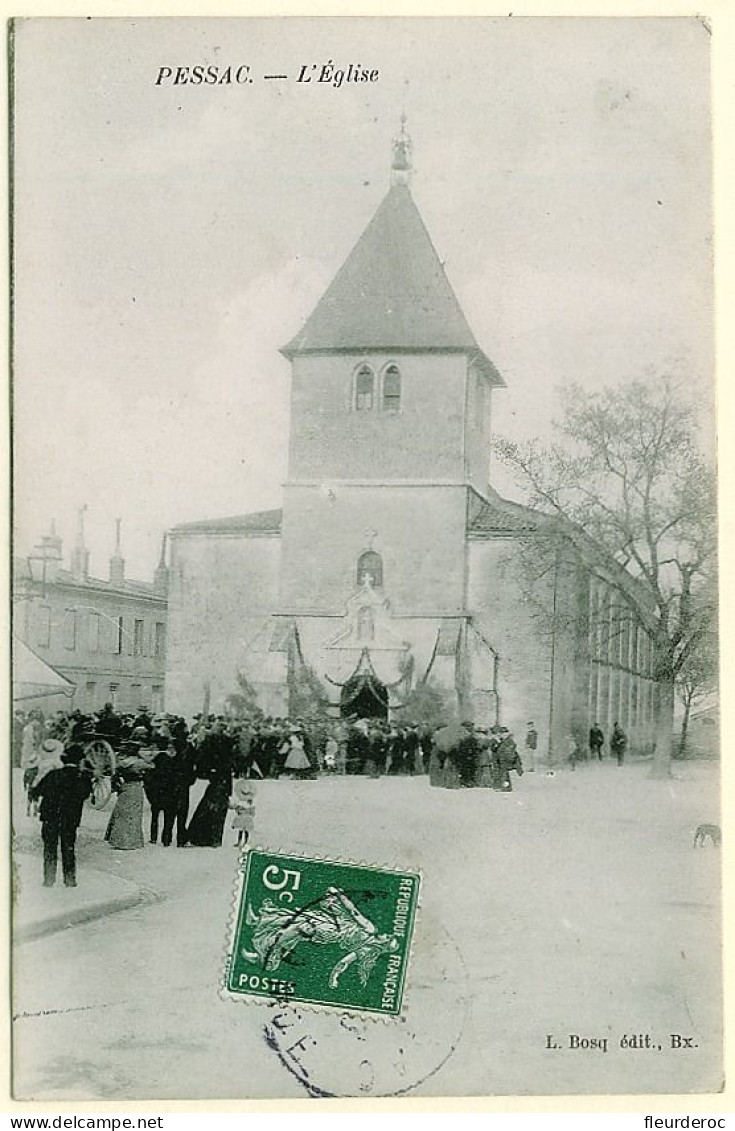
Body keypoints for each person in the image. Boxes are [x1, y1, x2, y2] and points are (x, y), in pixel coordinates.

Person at [29, 743, 92, 887]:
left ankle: (48, 880)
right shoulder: (82, 779)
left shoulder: (53, 774)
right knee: (68, 847)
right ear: (79, 761)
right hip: (70, 819)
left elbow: (36, 791)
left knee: (49, 848)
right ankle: (70, 880)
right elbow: (85, 795)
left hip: (50, 817)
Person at [186, 720, 234, 847]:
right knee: (219, 810)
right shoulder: (228, 741)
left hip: (216, 778)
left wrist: (205, 772)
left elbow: (202, 758)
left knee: (208, 808)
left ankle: (199, 837)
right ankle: (215, 838)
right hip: (224, 778)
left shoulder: (211, 740)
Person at [105, 735, 152, 851]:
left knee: (121, 814)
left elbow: (113, 774)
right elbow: (152, 767)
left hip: (125, 787)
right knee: (134, 815)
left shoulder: (123, 763)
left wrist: (116, 786)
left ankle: (118, 840)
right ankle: (131, 841)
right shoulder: (140, 762)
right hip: (136, 788)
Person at [229, 777, 256, 848]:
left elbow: (251, 811)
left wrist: (240, 810)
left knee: (243, 831)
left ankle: (243, 842)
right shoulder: (243, 801)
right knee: (242, 831)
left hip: (244, 817)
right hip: (244, 817)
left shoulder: (248, 802)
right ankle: (242, 842)